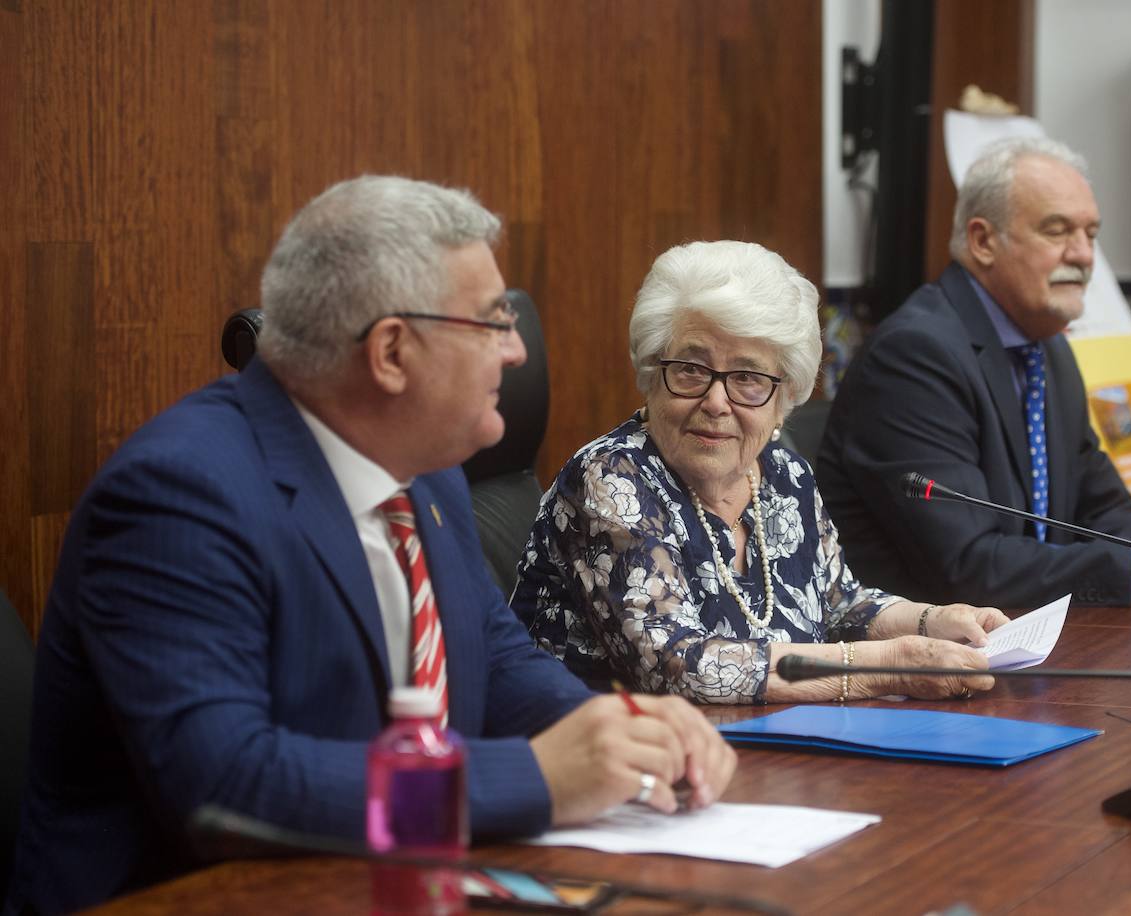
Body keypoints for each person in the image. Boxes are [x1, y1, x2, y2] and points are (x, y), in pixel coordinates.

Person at [6, 177, 735, 915]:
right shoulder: (180, 494)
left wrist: (620, 731)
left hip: (398, 882)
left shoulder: (428, 471)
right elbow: (223, 786)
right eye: (493, 322)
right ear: (391, 353)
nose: (518, 350)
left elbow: (497, 659)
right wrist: (539, 777)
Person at [510, 240, 1008, 706]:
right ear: (651, 373)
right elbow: (678, 664)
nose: (715, 401)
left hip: (776, 752)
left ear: (783, 398)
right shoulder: (612, 477)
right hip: (633, 764)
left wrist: (934, 621)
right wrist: (890, 664)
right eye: (690, 368)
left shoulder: (786, 476)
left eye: (747, 378)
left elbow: (840, 604)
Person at [816, 137, 1131, 609]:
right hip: (915, 661)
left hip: (1029, 643)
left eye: (1091, 234)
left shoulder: (1046, 347)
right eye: (1057, 231)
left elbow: (1100, 507)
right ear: (983, 241)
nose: (1083, 255)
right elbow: (968, 566)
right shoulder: (914, 355)